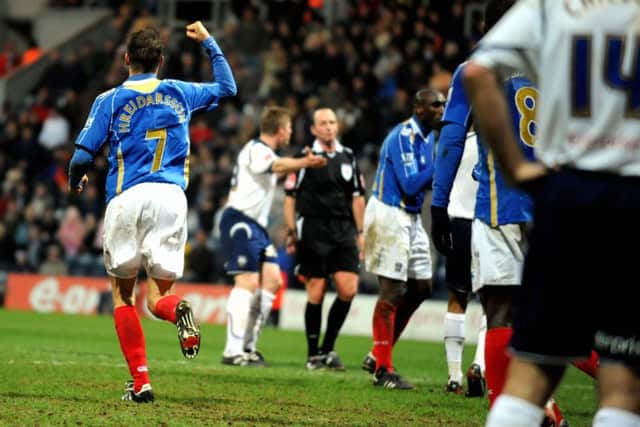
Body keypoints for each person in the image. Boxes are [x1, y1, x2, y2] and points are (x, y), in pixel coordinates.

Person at [463, 2, 639, 427]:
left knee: (531, 374)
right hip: (632, 196)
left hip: (567, 193)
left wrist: (515, 168)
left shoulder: (553, 5)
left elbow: (476, 72)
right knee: (624, 388)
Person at [67, 21, 237, 402]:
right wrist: (209, 42)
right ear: (161, 61)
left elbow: (81, 157)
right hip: (172, 197)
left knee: (123, 297)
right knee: (158, 296)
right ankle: (178, 310)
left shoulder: (109, 99)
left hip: (128, 196)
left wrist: (75, 179)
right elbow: (228, 88)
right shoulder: (179, 91)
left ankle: (141, 383)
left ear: (127, 59)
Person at [220, 106, 326, 367]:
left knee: (273, 281)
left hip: (256, 226)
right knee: (246, 283)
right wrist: (304, 162)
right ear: (280, 130)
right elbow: (278, 165)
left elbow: (279, 166)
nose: (291, 131)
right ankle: (232, 350)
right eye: (289, 127)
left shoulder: (263, 152)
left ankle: (248, 346)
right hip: (240, 220)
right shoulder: (256, 149)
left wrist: (300, 160)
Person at [361, 88, 445, 389]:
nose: (442, 109)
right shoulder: (403, 136)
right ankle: (383, 369)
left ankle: (377, 352)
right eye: (436, 104)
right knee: (392, 292)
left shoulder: (429, 138)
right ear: (419, 108)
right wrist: (443, 163)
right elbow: (411, 184)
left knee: (422, 286)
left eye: (444, 104)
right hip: (388, 213)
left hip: (410, 217)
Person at [283, 107, 365, 371]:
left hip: (344, 231)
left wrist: (361, 233)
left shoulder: (349, 157)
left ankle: (328, 347)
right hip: (313, 230)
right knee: (316, 291)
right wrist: (291, 230)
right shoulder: (304, 158)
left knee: (348, 288)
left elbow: (357, 197)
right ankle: (313, 354)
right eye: (323, 123)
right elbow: (290, 197)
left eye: (332, 122)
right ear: (314, 129)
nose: (329, 127)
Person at [431, 120, 487, 397]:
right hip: (489, 225)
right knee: (495, 303)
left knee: (457, 299)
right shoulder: (499, 141)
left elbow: (440, 182)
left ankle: (454, 377)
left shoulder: (455, 144)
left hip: (459, 224)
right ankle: (479, 364)